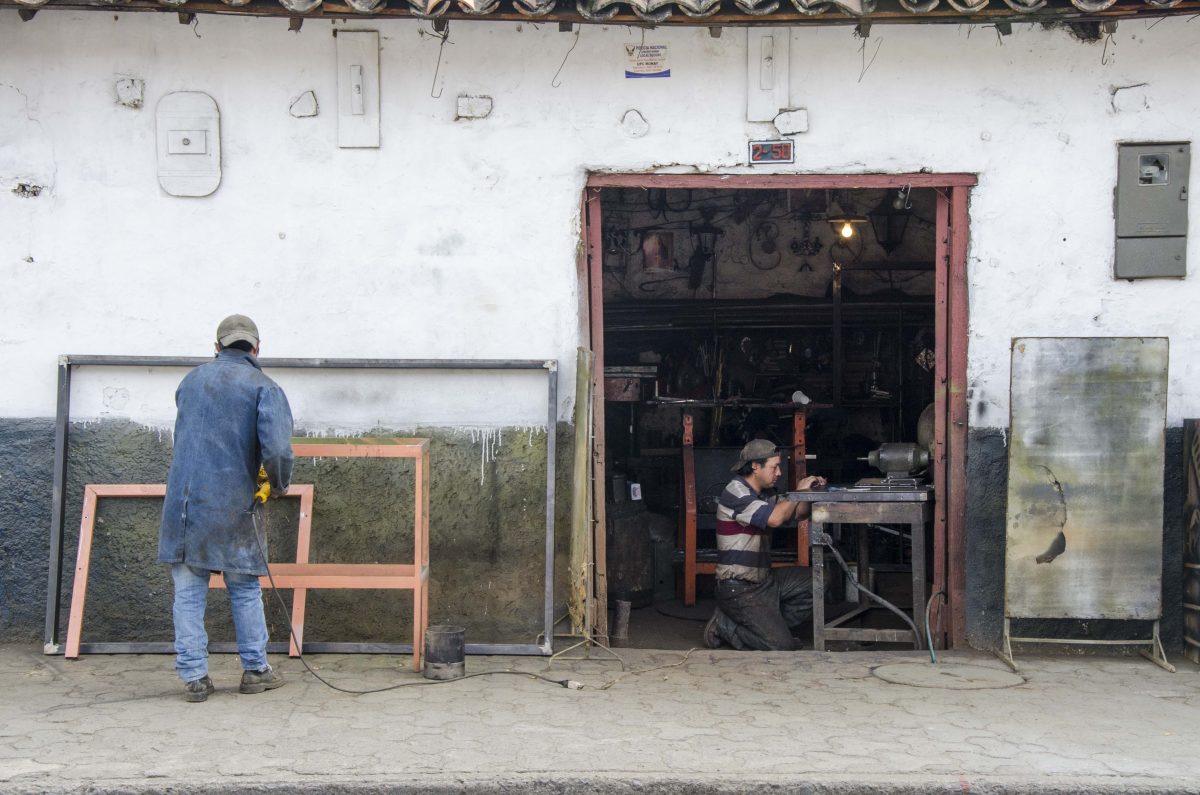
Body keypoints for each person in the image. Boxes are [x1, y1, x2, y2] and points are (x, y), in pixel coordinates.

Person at [158, 314, 294, 702]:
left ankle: (195, 679)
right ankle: (255, 671)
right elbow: (279, 450)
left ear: (216, 347)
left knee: (187, 591)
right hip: (235, 505)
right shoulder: (265, 387)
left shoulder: (189, 382)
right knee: (244, 589)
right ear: (256, 348)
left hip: (183, 507)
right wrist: (279, 484)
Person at [703, 439, 826, 651]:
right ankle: (724, 625)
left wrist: (810, 493)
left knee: (819, 579)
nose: (779, 473)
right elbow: (775, 519)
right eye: (774, 466)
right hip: (739, 587)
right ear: (755, 466)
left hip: (765, 581)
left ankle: (768, 627)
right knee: (782, 646)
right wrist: (798, 491)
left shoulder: (764, 493)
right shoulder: (736, 492)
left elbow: (799, 513)